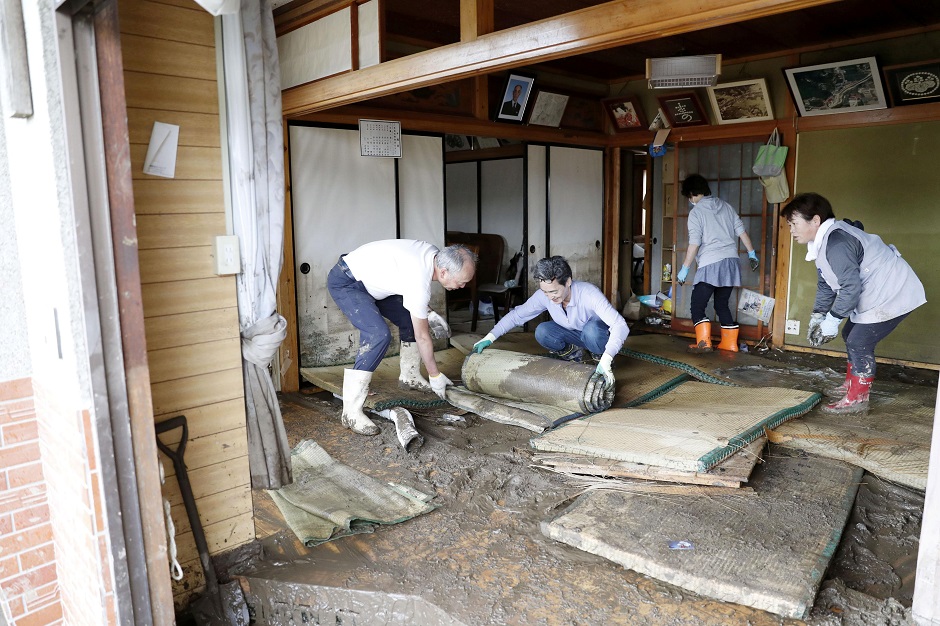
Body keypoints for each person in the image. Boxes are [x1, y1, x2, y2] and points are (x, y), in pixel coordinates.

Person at [781, 192, 925, 414]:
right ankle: (851, 384)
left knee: (859, 341)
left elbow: (851, 288)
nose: (791, 230)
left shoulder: (837, 243)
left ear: (816, 220)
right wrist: (818, 314)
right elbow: (827, 283)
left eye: (794, 223)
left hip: (894, 292)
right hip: (876, 292)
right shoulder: (822, 244)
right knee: (850, 334)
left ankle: (858, 398)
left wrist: (833, 319)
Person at [327, 240, 477, 435]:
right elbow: (422, 336)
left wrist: (428, 313)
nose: (463, 286)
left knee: (408, 319)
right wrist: (435, 375)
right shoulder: (419, 278)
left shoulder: (434, 255)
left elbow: (408, 285)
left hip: (371, 281)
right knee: (377, 334)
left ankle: (410, 376)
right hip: (348, 281)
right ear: (443, 272)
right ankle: (351, 411)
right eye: (461, 281)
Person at [471, 256, 628, 389]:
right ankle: (575, 354)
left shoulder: (589, 293)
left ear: (567, 282)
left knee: (592, 330)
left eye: (554, 291)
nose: (550, 297)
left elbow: (620, 325)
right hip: (574, 335)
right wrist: (490, 337)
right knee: (543, 331)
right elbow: (517, 315)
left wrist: (607, 358)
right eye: (545, 292)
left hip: (597, 337)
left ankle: (600, 358)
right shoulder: (544, 295)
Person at [676, 174, 759, 353]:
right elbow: (742, 232)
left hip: (711, 263)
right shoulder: (726, 206)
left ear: (691, 194)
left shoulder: (696, 213)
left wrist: (685, 268)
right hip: (731, 262)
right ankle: (729, 345)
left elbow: (695, 243)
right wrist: (752, 253)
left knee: (697, 305)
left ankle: (704, 343)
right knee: (721, 304)